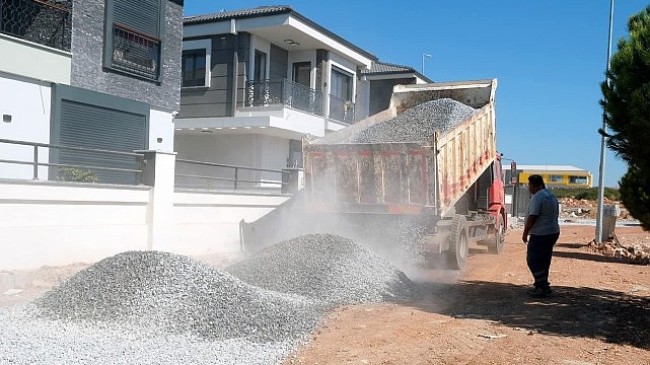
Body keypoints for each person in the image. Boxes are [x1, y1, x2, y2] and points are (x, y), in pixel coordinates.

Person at [522, 174, 560, 298]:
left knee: (533, 260)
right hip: (553, 231)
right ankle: (540, 285)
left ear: (536, 185)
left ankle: (543, 286)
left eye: (530, 185)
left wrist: (525, 232)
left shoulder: (538, 197)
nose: (529, 188)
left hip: (541, 233)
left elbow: (533, 216)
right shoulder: (550, 195)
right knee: (544, 260)